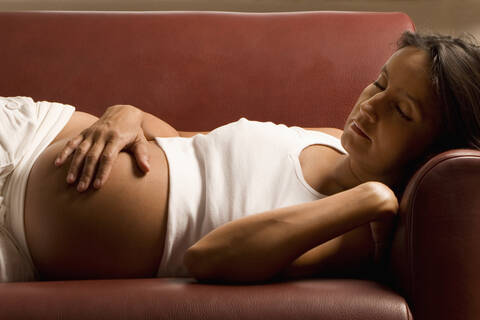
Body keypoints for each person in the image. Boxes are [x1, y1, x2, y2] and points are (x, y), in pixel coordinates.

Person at [2, 31, 479, 283]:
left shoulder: (357, 235)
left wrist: (372, 197)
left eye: (400, 109)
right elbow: (190, 148)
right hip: (37, 133)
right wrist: (129, 115)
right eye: (379, 82)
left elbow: (210, 258)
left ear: (434, 146)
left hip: (19, 244)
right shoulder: (331, 137)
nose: (370, 105)